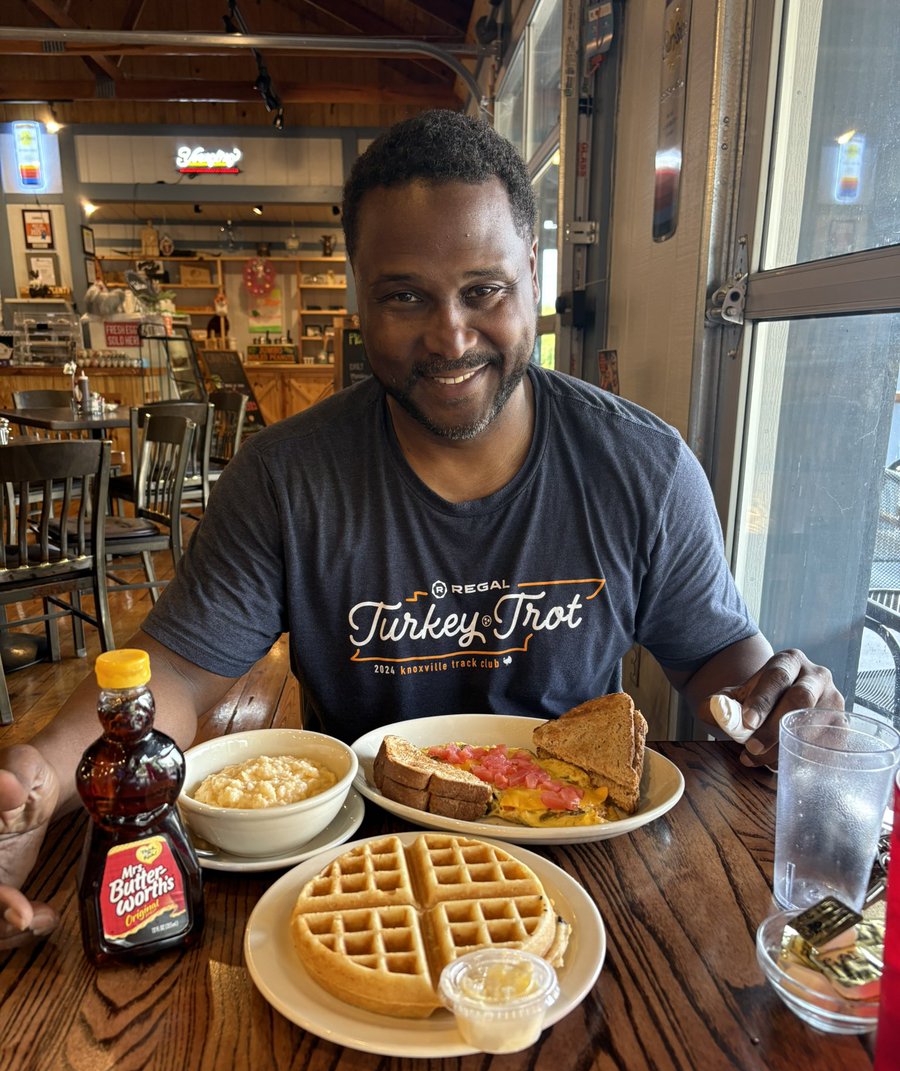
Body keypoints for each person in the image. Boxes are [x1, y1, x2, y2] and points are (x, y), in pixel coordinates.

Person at [0, 109, 841, 946]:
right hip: (357, 867)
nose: (450, 335)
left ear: (534, 284)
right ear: (361, 298)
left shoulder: (643, 469)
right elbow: (180, 676)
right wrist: (37, 773)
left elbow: (715, 662)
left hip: (584, 870)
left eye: (485, 290)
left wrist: (784, 705)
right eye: (406, 296)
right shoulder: (289, 477)